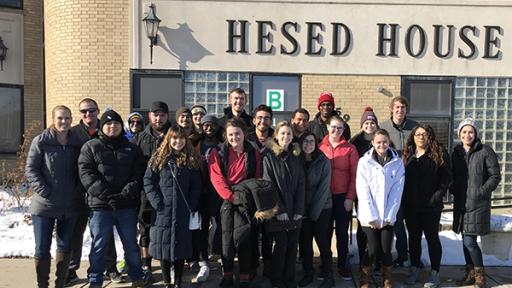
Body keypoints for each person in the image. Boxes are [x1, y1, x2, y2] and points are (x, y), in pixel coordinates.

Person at [78, 109, 147, 288]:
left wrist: (124, 195)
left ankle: (137, 276)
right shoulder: (91, 146)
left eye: (116, 123)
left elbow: (138, 175)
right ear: (102, 126)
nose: (112, 127)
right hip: (100, 207)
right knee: (99, 246)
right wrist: (107, 196)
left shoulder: (132, 148)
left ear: (120, 126)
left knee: (131, 245)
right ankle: (95, 280)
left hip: (126, 207)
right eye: (108, 123)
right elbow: (86, 174)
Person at [25, 105, 82, 288]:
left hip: (69, 205)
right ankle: (43, 284)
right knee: (42, 248)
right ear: (53, 119)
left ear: (71, 119)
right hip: (44, 205)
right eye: (60, 118)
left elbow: (83, 170)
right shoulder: (41, 141)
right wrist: (45, 191)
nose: (63, 121)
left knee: (65, 247)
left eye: (67, 118)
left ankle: (61, 284)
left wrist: (77, 191)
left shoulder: (77, 143)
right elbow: (31, 169)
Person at [144, 125, 202, 288]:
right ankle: (167, 282)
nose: (178, 141)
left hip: (183, 211)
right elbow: (148, 182)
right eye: (175, 138)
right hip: (163, 211)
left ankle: (178, 281)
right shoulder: (158, 158)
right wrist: (157, 203)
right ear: (169, 139)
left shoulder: (191, 159)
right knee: (163, 248)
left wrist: (191, 204)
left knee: (180, 248)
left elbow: (196, 186)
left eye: (181, 138)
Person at [209, 119, 262, 288]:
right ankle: (228, 274)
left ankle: (245, 275)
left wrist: (248, 196)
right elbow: (216, 177)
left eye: (237, 133)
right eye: (230, 134)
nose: (234, 137)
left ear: (244, 134)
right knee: (227, 238)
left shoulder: (253, 152)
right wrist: (231, 196)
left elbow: (258, 175)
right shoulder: (218, 152)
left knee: (245, 237)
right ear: (226, 135)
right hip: (226, 198)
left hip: (246, 197)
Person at [451, 118, 501, 288]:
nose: (467, 135)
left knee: (470, 241)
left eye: (470, 131)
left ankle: (480, 276)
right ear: (459, 134)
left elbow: (495, 176)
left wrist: (481, 192)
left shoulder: (485, 151)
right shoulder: (456, 152)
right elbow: (453, 176)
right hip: (461, 203)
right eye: (464, 132)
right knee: (465, 239)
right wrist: (453, 189)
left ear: (476, 134)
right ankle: (470, 274)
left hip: (478, 203)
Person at [402, 124, 451, 288]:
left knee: (432, 239)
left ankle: (435, 272)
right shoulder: (407, 154)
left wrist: (437, 197)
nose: (420, 137)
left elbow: (446, 179)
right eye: (417, 134)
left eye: (424, 134)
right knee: (414, 238)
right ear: (413, 137)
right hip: (411, 207)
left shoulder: (438, 154)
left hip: (431, 207)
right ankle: (415, 268)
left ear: (429, 136)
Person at [356, 129, 405, 288]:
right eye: (378, 142)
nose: (381, 145)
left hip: (387, 217)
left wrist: (388, 218)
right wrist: (372, 217)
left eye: (384, 141)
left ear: (389, 142)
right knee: (372, 249)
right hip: (368, 216)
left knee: (385, 250)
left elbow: (396, 193)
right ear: (372, 143)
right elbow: (363, 191)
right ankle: (365, 278)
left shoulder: (397, 163)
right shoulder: (364, 162)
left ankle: (387, 279)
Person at [262, 121, 305, 288]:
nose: (285, 137)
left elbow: (301, 183)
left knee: (293, 246)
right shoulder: (269, 157)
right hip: (278, 211)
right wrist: (279, 210)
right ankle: (277, 279)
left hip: (295, 211)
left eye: (288, 134)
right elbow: (268, 185)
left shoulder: (296, 156)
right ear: (276, 136)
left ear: (292, 136)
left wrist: (299, 210)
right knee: (281, 246)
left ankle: (290, 279)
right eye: (282, 133)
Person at [131, 101, 171, 275]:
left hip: (169, 190)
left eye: (162, 115)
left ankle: (168, 263)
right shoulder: (139, 138)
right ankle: (146, 264)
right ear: (149, 116)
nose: (158, 118)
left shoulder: (174, 134)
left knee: (168, 226)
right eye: (155, 115)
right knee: (145, 226)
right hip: (145, 191)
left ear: (167, 116)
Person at [379, 96, 418, 267]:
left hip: (413, 181)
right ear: (391, 109)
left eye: (403, 107)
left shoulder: (414, 127)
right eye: (397, 107)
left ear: (406, 110)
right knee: (397, 220)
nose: (400, 110)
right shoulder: (384, 127)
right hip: (393, 181)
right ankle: (400, 254)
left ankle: (413, 255)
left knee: (413, 223)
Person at [319, 114, 358, 280]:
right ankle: (325, 265)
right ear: (327, 127)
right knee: (324, 233)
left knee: (342, 233)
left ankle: (343, 265)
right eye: (333, 127)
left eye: (340, 128)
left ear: (344, 129)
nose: (336, 130)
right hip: (324, 198)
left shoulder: (350, 148)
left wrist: (350, 197)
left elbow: (355, 175)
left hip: (342, 197)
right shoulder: (320, 147)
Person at [297, 132, 333, 288]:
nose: (308, 144)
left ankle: (328, 275)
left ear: (316, 143)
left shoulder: (323, 160)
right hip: (302, 208)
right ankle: (308, 273)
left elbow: (324, 189)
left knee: (322, 242)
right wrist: (300, 209)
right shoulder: (296, 160)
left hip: (322, 207)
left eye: (311, 141)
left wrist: (313, 212)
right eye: (305, 141)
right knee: (305, 244)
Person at [191, 114, 224, 283]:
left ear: (217, 127)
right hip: (200, 193)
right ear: (202, 127)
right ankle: (203, 260)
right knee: (202, 228)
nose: (209, 128)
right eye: (206, 125)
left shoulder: (222, 146)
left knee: (221, 226)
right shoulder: (195, 145)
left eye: (212, 125)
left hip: (218, 193)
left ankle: (222, 257)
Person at [349, 107, 379, 272]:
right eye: (366, 122)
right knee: (364, 225)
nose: (369, 125)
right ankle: (364, 258)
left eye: (372, 122)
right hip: (361, 191)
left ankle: (377, 259)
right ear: (362, 124)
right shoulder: (355, 142)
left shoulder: (381, 139)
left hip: (379, 191)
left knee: (379, 225)